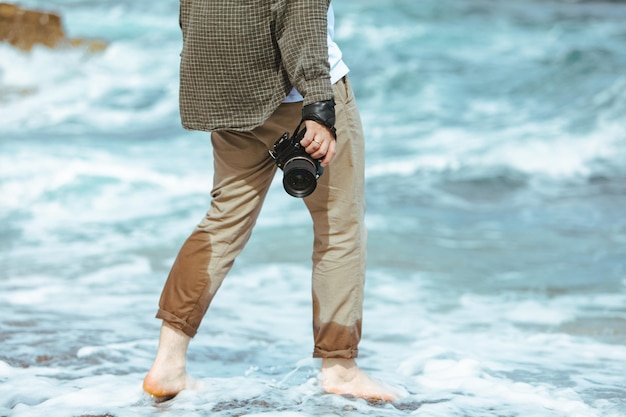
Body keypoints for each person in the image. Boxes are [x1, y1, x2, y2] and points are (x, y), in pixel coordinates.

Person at [143, 0, 403, 402]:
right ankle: (340, 368)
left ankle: (168, 364)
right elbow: (303, 13)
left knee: (223, 220)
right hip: (301, 98)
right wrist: (319, 106)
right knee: (339, 227)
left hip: (231, 90)